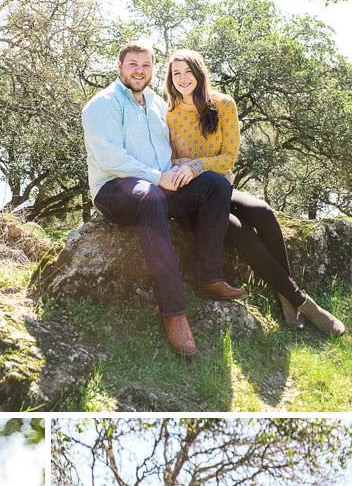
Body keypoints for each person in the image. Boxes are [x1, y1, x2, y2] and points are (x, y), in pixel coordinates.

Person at [163, 50, 346, 339]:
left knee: (263, 212)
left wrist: (195, 164)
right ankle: (305, 304)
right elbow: (169, 161)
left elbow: (229, 157)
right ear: (170, 79)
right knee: (240, 232)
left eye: (188, 72)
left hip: (223, 184)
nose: (183, 79)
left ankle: (286, 297)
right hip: (195, 198)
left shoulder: (223, 104)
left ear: (199, 74)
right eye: (176, 73)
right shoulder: (169, 114)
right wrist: (184, 168)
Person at [80, 42, 242, 360]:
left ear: (153, 70)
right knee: (151, 197)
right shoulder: (102, 105)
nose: (139, 70)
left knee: (213, 184)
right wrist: (159, 178)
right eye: (133, 64)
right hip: (114, 190)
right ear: (119, 66)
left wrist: (181, 172)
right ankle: (174, 312)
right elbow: (111, 158)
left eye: (146, 65)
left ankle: (209, 277)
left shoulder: (156, 104)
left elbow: (166, 152)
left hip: (157, 184)